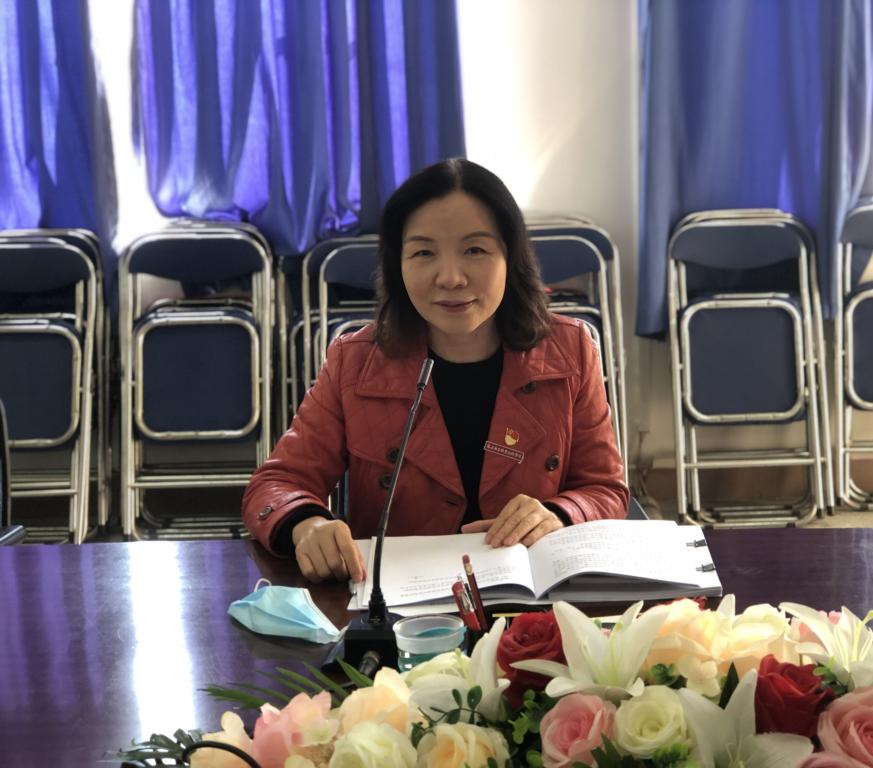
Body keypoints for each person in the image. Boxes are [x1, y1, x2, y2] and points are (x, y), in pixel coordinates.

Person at [243, 159, 627, 582]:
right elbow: (277, 483)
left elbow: (605, 490)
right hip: (398, 605)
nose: (451, 277)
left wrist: (559, 513)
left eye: (475, 250)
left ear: (511, 257)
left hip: (531, 602)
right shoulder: (354, 362)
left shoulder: (570, 351)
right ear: (398, 263)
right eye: (424, 253)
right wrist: (307, 524)